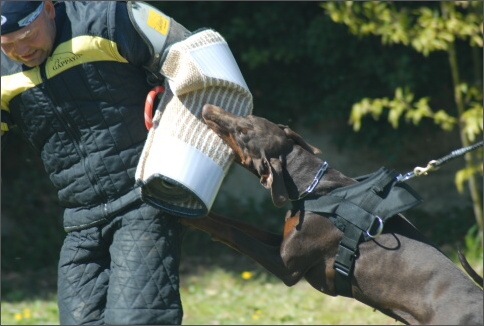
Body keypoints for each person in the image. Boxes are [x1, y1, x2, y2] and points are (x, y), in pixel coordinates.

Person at [1, 1, 251, 324]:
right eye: (8, 44)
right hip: (80, 222)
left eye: (29, 35)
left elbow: (200, 57)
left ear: (48, 8)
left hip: (143, 200)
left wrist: (178, 122)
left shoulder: (108, 18)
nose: (22, 50)